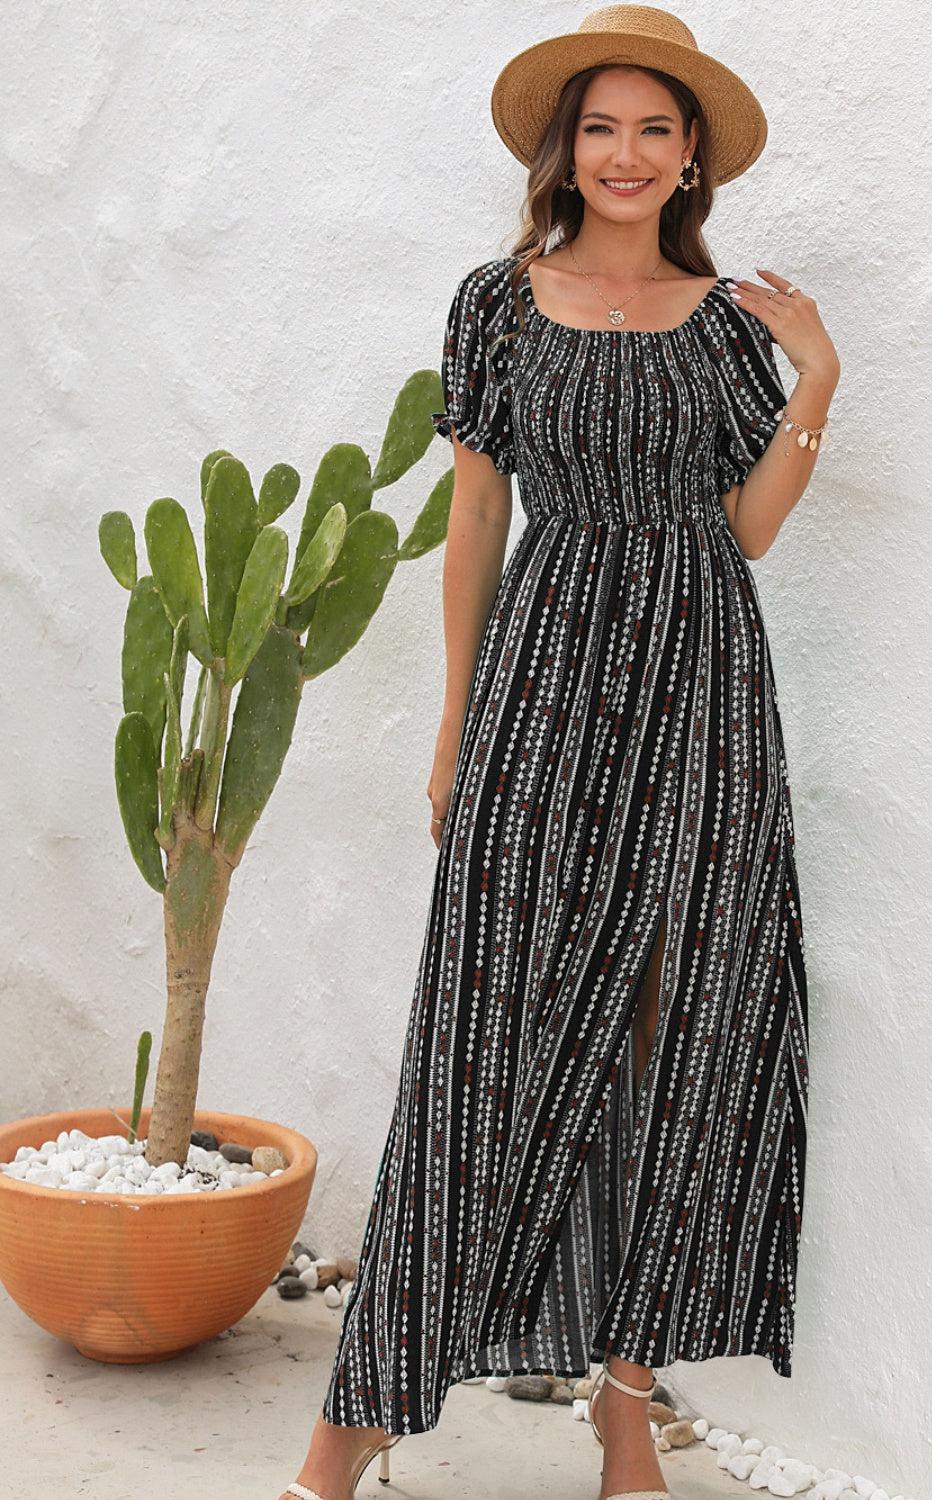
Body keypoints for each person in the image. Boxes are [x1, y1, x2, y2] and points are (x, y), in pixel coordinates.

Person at [280, 6, 839, 1499]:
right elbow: (474, 520)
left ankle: (622, 1399)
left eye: (656, 129)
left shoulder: (731, 326)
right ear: (562, 148)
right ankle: (349, 1435)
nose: (627, 154)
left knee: (683, 1022)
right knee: (483, 1035)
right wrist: (458, 724)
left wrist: (814, 396)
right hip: (539, 680)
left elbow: (736, 542)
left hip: (706, 689)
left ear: (693, 155)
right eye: (601, 126)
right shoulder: (495, 303)